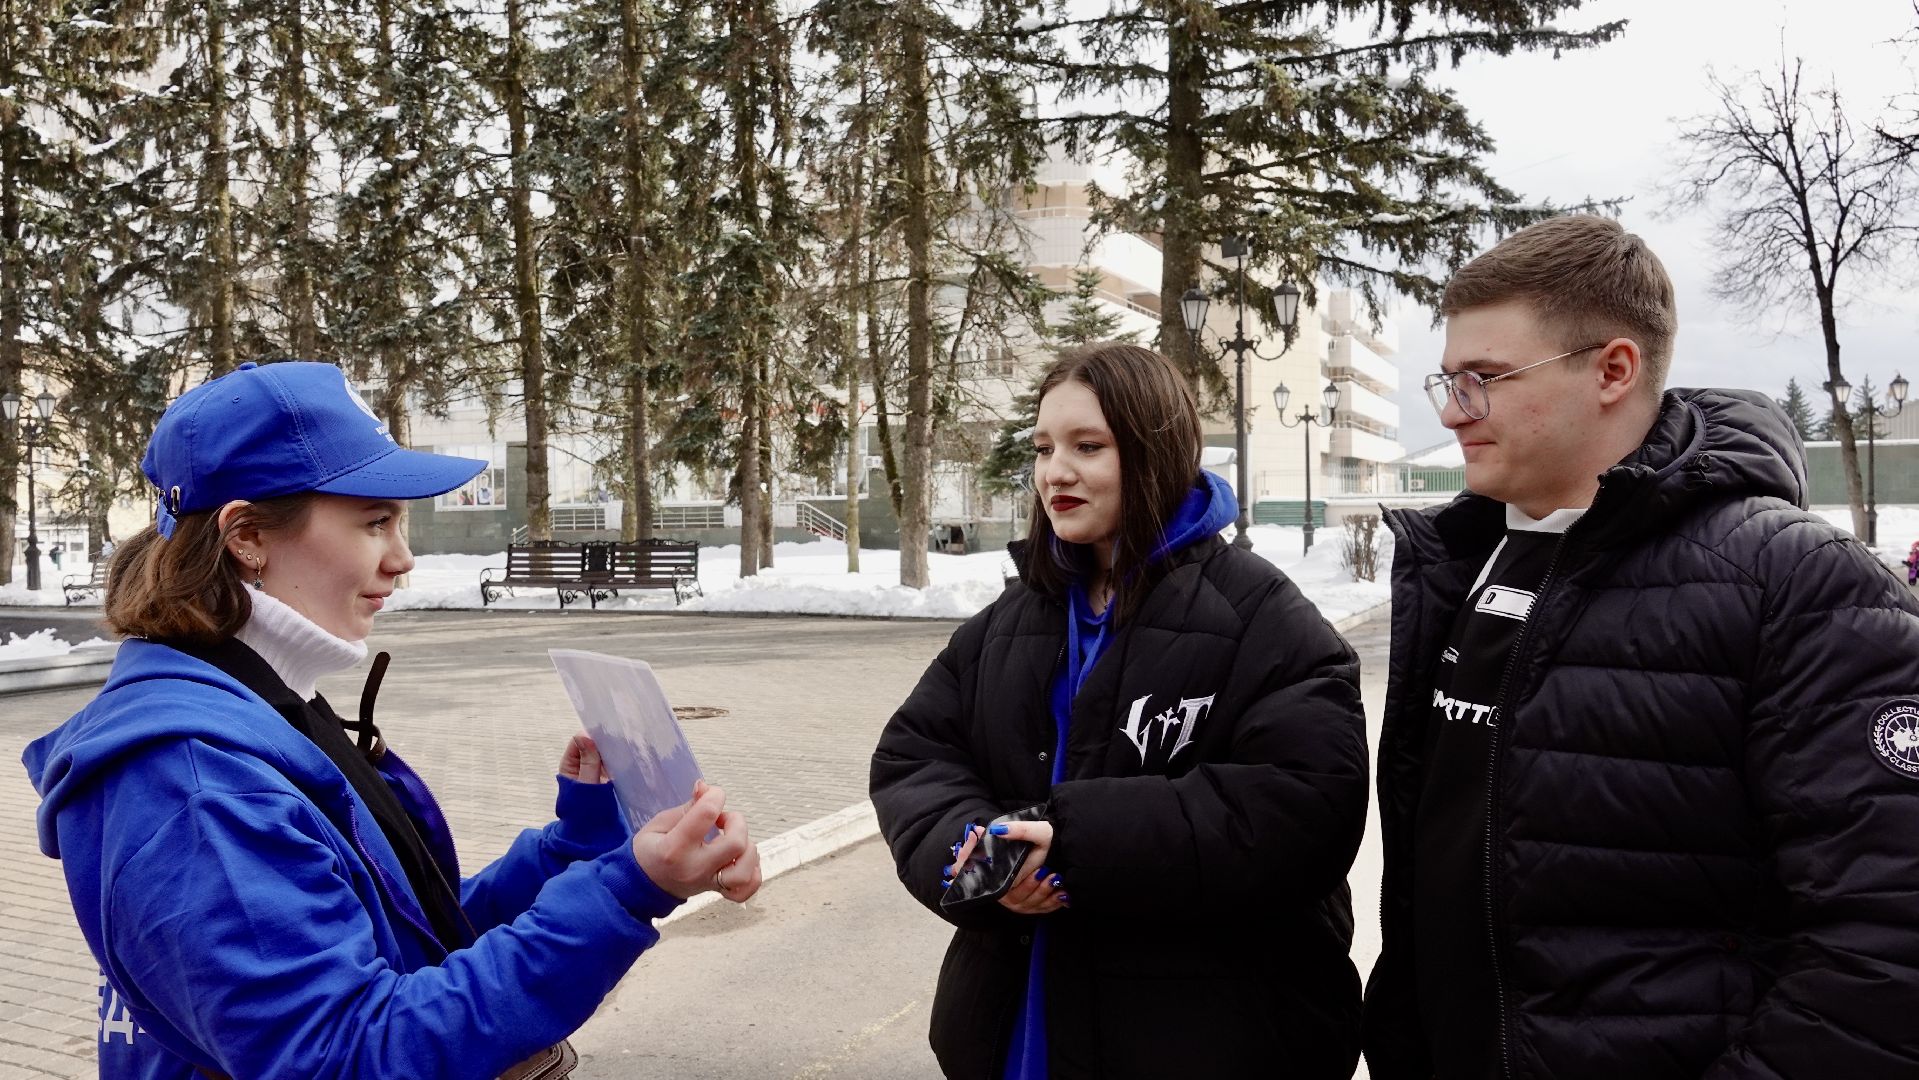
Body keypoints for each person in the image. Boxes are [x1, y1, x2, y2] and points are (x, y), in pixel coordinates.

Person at [22, 361, 762, 1079]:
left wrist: (580, 847)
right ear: (246, 535)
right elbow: (347, 1054)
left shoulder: (263, 704)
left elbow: (409, 942)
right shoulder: (198, 784)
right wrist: (622, 893)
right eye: (374, 522)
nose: (403, 558)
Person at [1363, 215, 1919, 1080]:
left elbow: (1887, 945)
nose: (1449, 409)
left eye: (1485, 379)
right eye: (1447, 378)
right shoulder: (1464, 560)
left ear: (1613, 370)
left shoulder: (1796, 584)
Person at [872, 343, 1370, 1078]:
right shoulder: (1011, 618)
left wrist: (1069, 843)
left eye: (1087, 446)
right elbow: (914, 759)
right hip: (1016, 1033)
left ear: (1154, 452)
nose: (1055, 472)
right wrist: (990, 871)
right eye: (1043, 448)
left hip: (1203, 1035)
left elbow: (1299, 808)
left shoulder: (1262, 616)